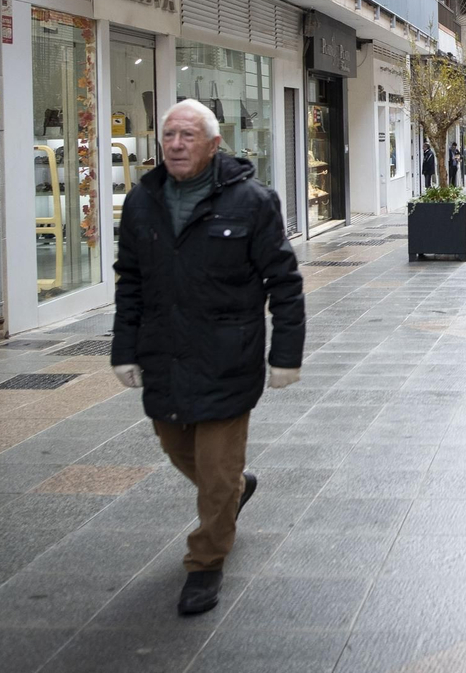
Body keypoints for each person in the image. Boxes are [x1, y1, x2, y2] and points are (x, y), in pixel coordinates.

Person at [111, 99, 304, 615]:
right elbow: (130, 280)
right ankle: (235, 490)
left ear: (214, 144)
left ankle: (205, 562)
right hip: (166, 356)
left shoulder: (253, 202)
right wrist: (123, 349)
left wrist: (285, 354)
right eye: (169, 135)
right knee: (176, 445)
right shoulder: (141, 202)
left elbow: (283, 282)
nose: (175, 144)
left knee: (216, 473)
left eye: (188, 135)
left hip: (227, 358)